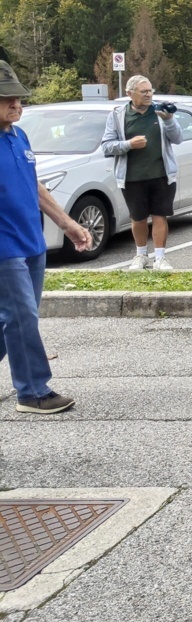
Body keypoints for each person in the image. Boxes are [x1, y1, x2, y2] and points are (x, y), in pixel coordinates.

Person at [0, 60, 90, 414]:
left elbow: (33, 186)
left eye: (18, 98)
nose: (16, 104)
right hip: (4, 248)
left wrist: (67, 223)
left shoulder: (18, 136)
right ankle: (33, 391)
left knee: (10, 318)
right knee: (21, 317)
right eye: (7, 99)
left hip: (31, 243)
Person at [100, 75, 183, 270]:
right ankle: (141, 255)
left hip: (162, 174)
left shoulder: (160, 111)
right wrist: (129, 144)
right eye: (143, 91)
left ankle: (160, 258)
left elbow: (178, 138)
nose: (148, 95)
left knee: (160, 216)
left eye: (150, 90)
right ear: (130, 94)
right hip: (132, 177)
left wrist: (169, 120)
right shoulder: (118, 115)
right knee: (138, 218)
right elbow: (106, 146)